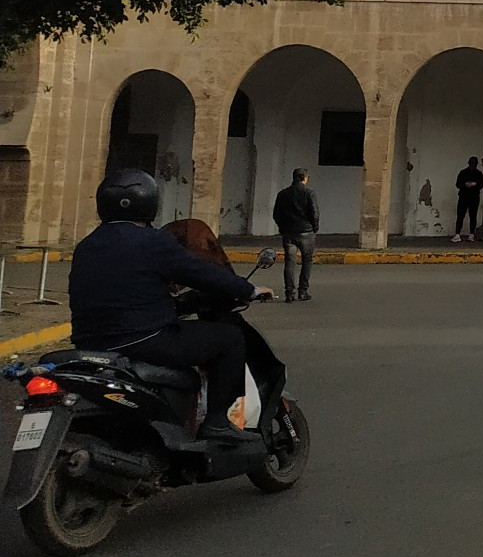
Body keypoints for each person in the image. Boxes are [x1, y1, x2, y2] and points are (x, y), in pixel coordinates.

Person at [69, 169, 269, 440]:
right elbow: (199, 272)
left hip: (90, 343)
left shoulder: (87, 245)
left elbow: (127, 291)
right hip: (144, 340)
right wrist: (250, 289)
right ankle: (217, 422)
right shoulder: (152, 242)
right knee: (230, 339)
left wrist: (176, 306)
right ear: (149, 204)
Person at [272, 168, 320, 302]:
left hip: (288, 233)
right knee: (307, 260)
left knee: (289, 262)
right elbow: (314, 213)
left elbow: (276, 214)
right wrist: (314, 227)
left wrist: (283, 227)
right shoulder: (309, 193)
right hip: (306, 232)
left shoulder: (282, 194)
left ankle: (289, 293)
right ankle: (303, 291)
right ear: (304, 178)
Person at [452, 156, 483, 243]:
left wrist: (473, 184)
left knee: (467, 216)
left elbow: (481, 184)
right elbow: (458, 184)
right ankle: (468, 234)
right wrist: (467, 184)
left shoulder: (466, 173)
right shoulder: (476, 173)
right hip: (468, 196)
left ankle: (461, 234)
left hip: (468, 196)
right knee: (465, 215)